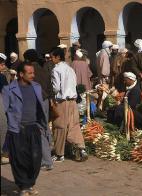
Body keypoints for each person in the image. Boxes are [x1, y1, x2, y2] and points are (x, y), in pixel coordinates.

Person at [2, 62, 47, 195]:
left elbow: (41, 107)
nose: (33, 75)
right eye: (30, 73)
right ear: (21, 74)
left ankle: (30, 183)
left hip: (33, 128)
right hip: (17, 129)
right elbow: (4, 110)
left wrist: (42, 125)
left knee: (36, 158)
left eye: (33, 73)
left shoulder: (37, 87)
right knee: (19, 159)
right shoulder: (9, 89)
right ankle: (23, 186)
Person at [51, 47, 88, 162]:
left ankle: (59, 154)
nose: (51, 59)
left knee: (59, 126)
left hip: (62, 101)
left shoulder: (56, 69)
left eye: (52, 57)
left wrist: (53, 95)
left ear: (58, 57)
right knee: (74, 125)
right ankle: (81, 148)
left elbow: (56, 88)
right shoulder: (70, 69)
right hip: (73, 101)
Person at [23, 49, 54, 170]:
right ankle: (47, 153)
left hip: (36, 101)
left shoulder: (30, 71)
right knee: (44, 126)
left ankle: (46, 161)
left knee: (39, 130)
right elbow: (50, 87)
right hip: (45, 100)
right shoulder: (43, 69)